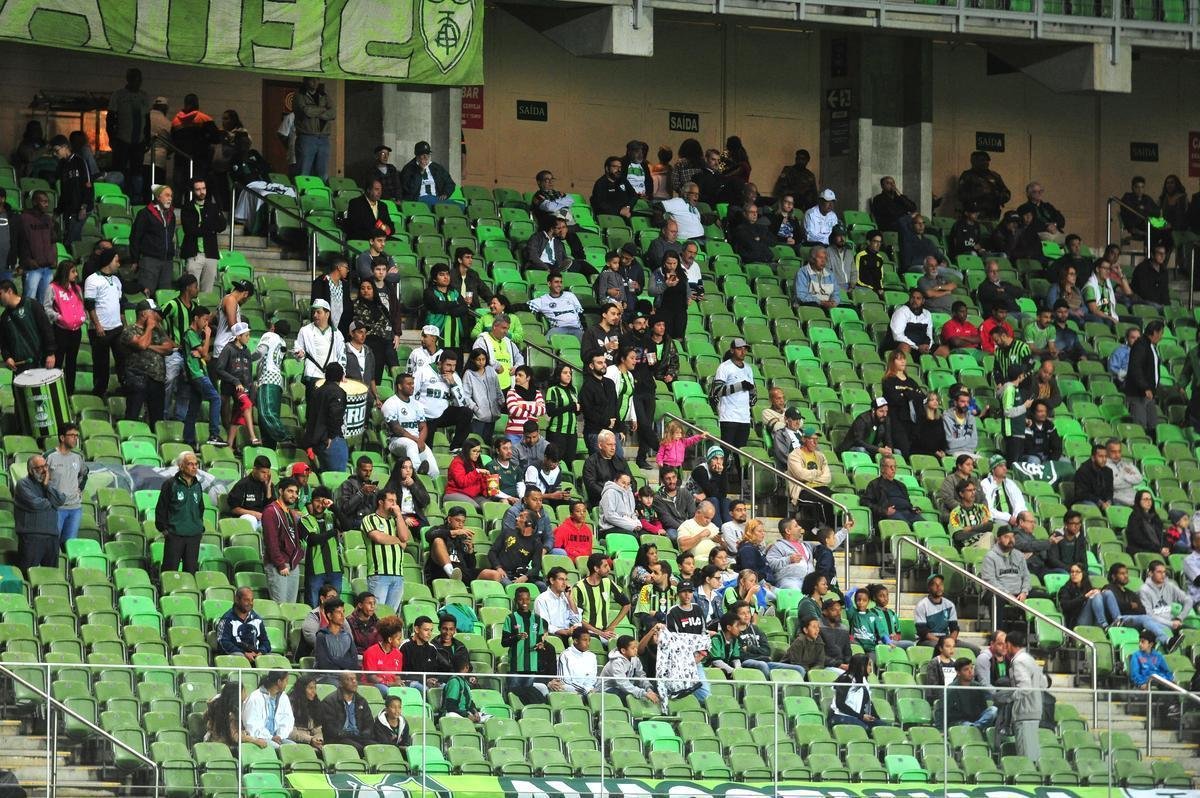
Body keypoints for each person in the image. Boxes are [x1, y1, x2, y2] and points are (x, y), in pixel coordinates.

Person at [155, 450, 205, 573]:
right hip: (175, 535)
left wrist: (199, 528)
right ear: (181, 466)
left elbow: (200, 508)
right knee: (170, 571)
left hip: (193, 536)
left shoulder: (197, 485)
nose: (194, 467)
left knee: (191, 571)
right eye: (190, 464)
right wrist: (165, 530)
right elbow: (161, 509)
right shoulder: (170, 484)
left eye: (196, 464)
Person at [361, 488, 410, 611]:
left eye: (395, 501)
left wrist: (399, 515)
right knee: (377, 613)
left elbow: (404, 538)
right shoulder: (370, 518)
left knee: (391, 616)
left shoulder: (396, 521)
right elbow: (378, 537)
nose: (394, 504)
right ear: (381, 502)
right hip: (379, 574)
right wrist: (398, 540)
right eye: (390, 501)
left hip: (398, 575)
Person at [14, 454, 65, 572]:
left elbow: (60, 500)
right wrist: (51, 502)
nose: (44, 470)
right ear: (31, 470)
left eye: (45, 466)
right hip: (31, 537)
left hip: (52, 536)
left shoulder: (49, 484)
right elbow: (35, 504)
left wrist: (47, 486)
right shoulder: (23, 484)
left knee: (51, 576)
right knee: (27, 574)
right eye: (40, 468)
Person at [179, 177, 227, 294]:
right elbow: (190, 230)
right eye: (198, 189)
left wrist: (202, 226)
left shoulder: (213, 206)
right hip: (194, 254)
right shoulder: (187, 208)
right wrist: (210, 228)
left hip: (211, 254)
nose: (202, 192)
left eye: (204, 188)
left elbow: (222, 226)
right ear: (193, 191)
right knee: (190, 291)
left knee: (207, 292)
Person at [129, 184, 178, 296]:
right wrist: (135, 259)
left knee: (165, 295)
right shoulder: (145, 214)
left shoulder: (171, 215)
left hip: (167, 261)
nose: (170, 198)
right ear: (158, 197)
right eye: (167, 195)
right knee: (147, 293)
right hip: (149, 261)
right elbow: (135, 237)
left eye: (171, 195)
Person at [262, 478, 303, 604]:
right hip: (279, 565)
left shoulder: (290, 512)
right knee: (281, 605)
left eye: (296, 492)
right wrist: (280, 564)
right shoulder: (271, 511)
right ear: (280, 491)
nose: (294, 495)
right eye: (290, 491)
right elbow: (271, 541)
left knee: (290, 606)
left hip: (292, 564)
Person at [0, 277, 54, 374]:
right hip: (19, 368)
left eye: (0, 294)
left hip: (39, 363)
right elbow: (4, 343)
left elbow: (46, 329)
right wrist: (7, 357)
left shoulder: (32, 305)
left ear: (9, 291)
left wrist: (50, 353)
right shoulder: (4, 317)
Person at [914, 574, 979, 653]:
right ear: (929, 588)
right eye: (935, 584)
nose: (939, 587)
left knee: (975, 650)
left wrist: (950, 641)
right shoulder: (922, 605)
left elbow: (954, 628)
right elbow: (923, 632)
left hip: (946, 639)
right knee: (942, 649)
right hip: (927, 641)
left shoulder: (949, 605)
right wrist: (943, 643)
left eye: (941, 584)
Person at [1006, 630, 1044, 763]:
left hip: (1024, 711)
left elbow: (1025, 687)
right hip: (1035, 710)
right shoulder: (1030, 659)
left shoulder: (1018, 661)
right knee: (1033, 753)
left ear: (1009, 644)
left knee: (1025, 757)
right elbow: (1043, 683)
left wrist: (1009, 697)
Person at [300, 487, 341, 606]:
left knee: (335, 606)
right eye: (317, 500)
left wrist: (333, 507)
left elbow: (347, 525)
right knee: (313, 605)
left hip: (335, 569)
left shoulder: (331, 517)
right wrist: (333, 532)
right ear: (311, 501)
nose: (319, 504)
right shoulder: (305, 520)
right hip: (315, 569)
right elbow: (313, 540)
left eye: (323, 501)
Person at [319, 673, 374, 754]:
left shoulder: (361, 701)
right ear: (341, 683)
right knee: (359, 749)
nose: (354, 681)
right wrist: (345, 734)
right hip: (338, 739)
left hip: (359, 737)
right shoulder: (330, 701)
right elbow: (329, 728)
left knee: (375, 747)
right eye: (349, 679)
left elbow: (369, 724)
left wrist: (365, 734)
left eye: (355, 679)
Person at [1124, 319, 1163, 434]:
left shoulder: (1150, 346)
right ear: (1155, 333)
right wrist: (1145, 387)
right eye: (1161, 333)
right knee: (1140, 428)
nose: (1161, 337)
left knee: (1152, 427)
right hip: (1139, 394)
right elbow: (1135, 368)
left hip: (1148, 394)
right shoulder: (1140, 345)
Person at [863, 454, 922, 526]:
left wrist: (913, 509)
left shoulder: (901, 485)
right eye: (890, 467)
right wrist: (884, 511)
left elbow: (907, 502)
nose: (893, 469)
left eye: (895, 466)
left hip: (908, 512)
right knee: (905, 525)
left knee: (924, 526)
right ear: (882, 469)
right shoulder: (874, 485)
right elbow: (865, 502)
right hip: (892, 514)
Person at [829, 653, 885, 729]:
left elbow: (868, 702)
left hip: (857, 716)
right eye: (868, 665)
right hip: (840, 715)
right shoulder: (846, 679)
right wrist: (861, 716)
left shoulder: (864, 680)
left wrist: (876, 718)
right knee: (864, 729)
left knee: (883, 727)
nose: (871, 669)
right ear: (861, 666)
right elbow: (840, 705)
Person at [424, 506, 478, 584]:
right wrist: (453, 532)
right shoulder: (439, 529)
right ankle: (450, 572)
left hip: (462, 572)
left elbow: (471, 567)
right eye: (457, 520)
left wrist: (470, 551)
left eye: (463, 522)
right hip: (441, 571)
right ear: (449, 519)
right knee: (438, 540)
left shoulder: (463, 537)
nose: (460, 524)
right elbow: (429, 535)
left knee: (492, 574)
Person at [216, 587, 271, 663]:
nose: (250, 603)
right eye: (246, 600)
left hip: (256, 655)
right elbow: (223, 642)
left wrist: (261, 652)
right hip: (238, 656)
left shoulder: (257, 619)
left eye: (252, 600)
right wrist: (244, 653)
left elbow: (265, 642)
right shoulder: (227, 619)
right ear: (237, 600)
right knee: (240, 658)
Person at [294, 78, 334, 179]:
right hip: (307, 136)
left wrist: (316, 112)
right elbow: (306, 111)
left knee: (323, 172)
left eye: (317, 80)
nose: (315, 82)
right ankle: (302, 192)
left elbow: (333, 113)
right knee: (304, 170)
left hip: (324, 137)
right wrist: (324, 110)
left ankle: (320, 193)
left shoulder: (324, 95)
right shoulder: (299, 95)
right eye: (312, 80)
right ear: (305, 81)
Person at [242, 671, 294, 750]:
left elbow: (288, 719)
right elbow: (252, 725)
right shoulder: (255, 698)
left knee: (294, 747)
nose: (287, 684)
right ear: (279, 682)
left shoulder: (284, 697)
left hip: (279, 738)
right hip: (260, 738)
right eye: (286, 681)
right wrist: (270, 737)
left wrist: (280, 735)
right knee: (279, 749)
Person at [1141, 560, 1193, 637]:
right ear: (1150, 573)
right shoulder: (1144, 590)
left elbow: (1188, 600)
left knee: (1194, 633)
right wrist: (1171, 624)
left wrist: (1180, 618)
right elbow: (1149, 616)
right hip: (1157, 625)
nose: (1163, 575)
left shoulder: (1169, 586)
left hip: (1172, 623)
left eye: (1164, 572)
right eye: (1159, 572)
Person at [529, 271, 585, 340]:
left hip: (576, 329)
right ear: (549, 284)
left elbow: (581, 314)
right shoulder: (543, 300)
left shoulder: (570, 295)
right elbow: (526, 307)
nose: (559, 285)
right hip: (558, 329)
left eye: (560, 282)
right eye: (556, 282)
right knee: (547, 340)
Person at [314, 598, 359, 681]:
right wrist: (343, 663)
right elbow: (324, 664)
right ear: (329, 615)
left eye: (343, 612)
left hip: (346, 679)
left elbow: (354, 662)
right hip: (327, 679)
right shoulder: (321, 636)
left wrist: (334, 659)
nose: (342, 616)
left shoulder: (347, 636)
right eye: (338, 612)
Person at [399, 141, 456, 206]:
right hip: (418, 200)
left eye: (428, 154)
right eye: (423, 155)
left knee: (460, 206)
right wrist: (420, 172)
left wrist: (446, 193)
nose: (426, 157)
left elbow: (450, 183)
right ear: (417, 155)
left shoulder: (436, 167)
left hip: (436, 198)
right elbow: (409, 191)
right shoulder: (408, 168)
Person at [958, 151, 1011, 220]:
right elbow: (961, 195)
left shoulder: (994, 176)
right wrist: (980, 193)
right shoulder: (968, 175)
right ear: (974, 162)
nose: (985, 163)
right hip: (975, 213)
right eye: (982, 160)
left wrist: (999, 196)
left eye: (987, 160)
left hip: (993, 212)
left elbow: (1006, 192)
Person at [1126, 490, 1169, 558]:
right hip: (1141, 550)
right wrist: (1158, 549)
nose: (1149, 502)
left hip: (1157, 550)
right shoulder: (1134, 517)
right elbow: (1138, 539)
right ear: (1139, 501)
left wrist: (1165, 548)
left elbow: (1162, 535)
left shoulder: (1155, 517)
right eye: (1145, 499)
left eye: (1150, 499)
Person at [287, 675, 325, 749]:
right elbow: (289, 731)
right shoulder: (290, 704)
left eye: (315, 688)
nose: (314, 691)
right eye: (310, 688)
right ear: (302, 689)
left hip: (312, 741)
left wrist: (318, 739)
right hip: (297, 741)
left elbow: (317, 728)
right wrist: (310, 739)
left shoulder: (315, 703)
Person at [1074, 443, 1114, 508]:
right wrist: (1100, 502)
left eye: (1105, 456)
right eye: (1100, 456)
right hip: (1085, 501)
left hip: (1103, 501)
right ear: (1093, 458)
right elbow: (1082, 494)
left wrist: (1108, 501)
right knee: (1092, 506)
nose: (1104, 459)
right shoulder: (1083, 471)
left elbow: (1110, 491)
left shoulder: (1108, 471)